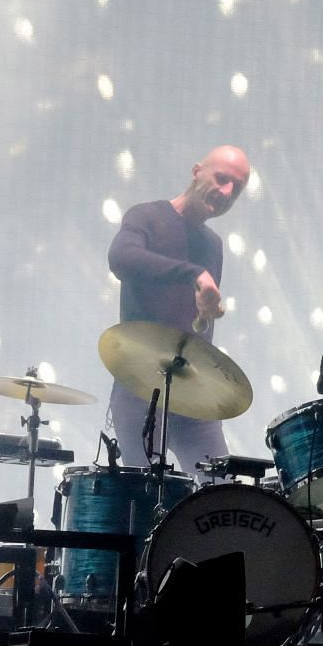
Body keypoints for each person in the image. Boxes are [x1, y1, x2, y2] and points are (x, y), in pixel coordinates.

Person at [105, 144, 251, 476]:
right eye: (222, 178)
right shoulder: (146, 216)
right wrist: (194, 275)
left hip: (195, 392)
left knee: (220, 495)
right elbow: (121, 258)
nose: (227, 192)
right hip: (141, 390)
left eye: (236, 189)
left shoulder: (213, 244)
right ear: (197, 171)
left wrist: (205, 314)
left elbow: (194, 324)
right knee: (150, 500)